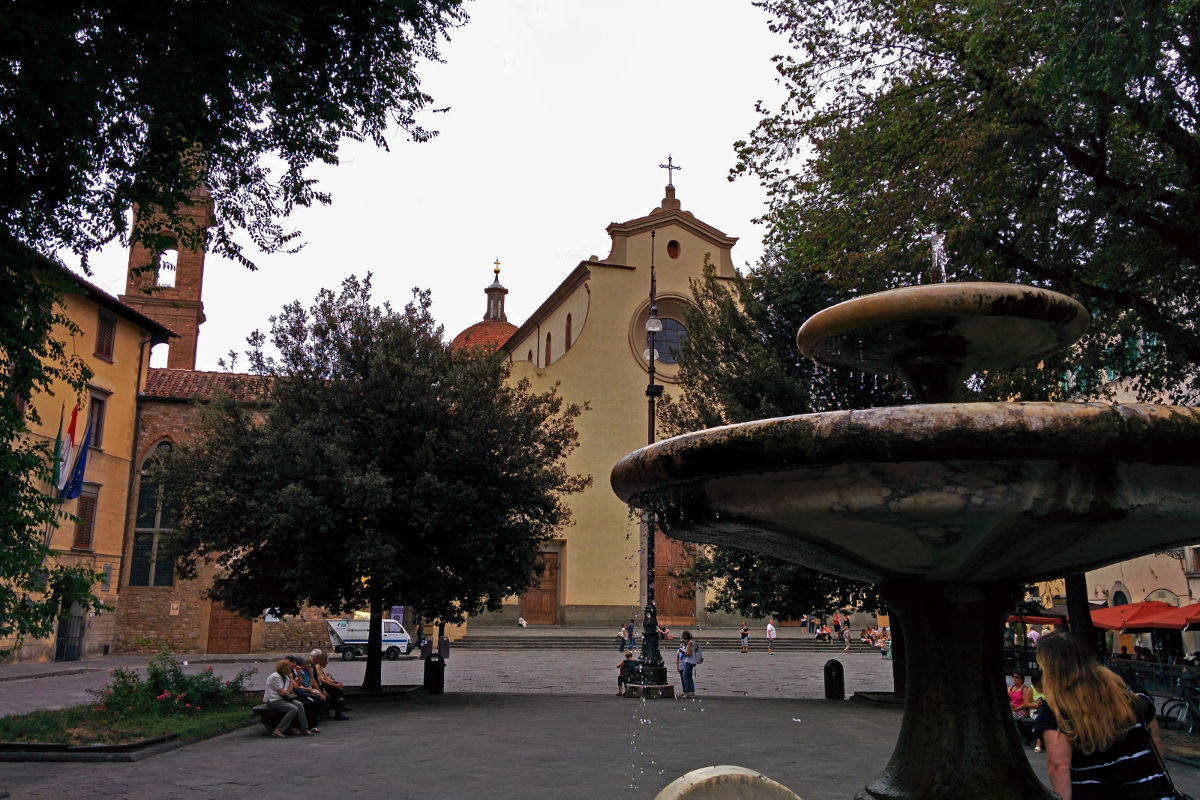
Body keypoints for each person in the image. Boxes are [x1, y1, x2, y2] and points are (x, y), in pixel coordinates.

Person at [1036, 631, 1178, 800]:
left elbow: (1058, 765)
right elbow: (1153, 737)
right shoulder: (1126, 687)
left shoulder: (1057, 710)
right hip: (1152, 791)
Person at [262, 658, 314, 737]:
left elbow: (294, 688)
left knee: (299, 704)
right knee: (293, 708)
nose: (291, 670)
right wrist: (288, 689)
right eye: (289, 668)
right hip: (273, 699)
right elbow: (282, 692)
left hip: (282, 698)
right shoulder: (275, 677)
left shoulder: (286, 677)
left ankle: (304, 728)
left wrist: (291, 679)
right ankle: (278, 730)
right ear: (284, 669)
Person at [310, 649, 349, 721]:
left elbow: (323, 678)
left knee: (336, 689)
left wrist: (335, 683)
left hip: (319, 685)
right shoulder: (315, 666)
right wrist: (334, 685)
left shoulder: (317, 666)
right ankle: (339, 710)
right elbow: (320, 680)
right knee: (335, 690)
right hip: (319, 686)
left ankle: (339, 708)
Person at [676, 631, 697, 698]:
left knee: (685, 676)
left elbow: (689, 653)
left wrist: (684, 654)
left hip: (689, 661)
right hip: (692, 661)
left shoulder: (689, 643)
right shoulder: (693, 642)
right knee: (689, 677)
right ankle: (692, 692)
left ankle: (686, 692)